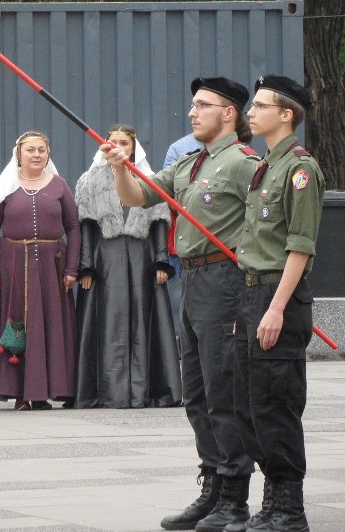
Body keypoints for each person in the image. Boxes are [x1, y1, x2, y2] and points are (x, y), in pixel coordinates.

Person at [101, 77, 260, 532]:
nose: (192, 112)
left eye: (203, 105)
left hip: (227, 281)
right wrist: (120, 167)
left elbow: (273, 221)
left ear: (229, 113)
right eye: (192, 105)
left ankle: (234, 496)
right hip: (192, 279)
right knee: (197, 393)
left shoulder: (246, 164)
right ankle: (211, 487)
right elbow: (138, 197)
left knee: (223, 391)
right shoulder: (191, 163)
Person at [230, 75, 325, 532]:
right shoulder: (266, 164)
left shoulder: (299, 169)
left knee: (276, 406)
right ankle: (272, 503)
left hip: (278, 296)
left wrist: (275, 308)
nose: (251, 111)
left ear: (286, 115)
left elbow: (300, 246)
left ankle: (290, 509)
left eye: (261, 105)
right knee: (251, 405)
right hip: (253, 292)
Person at [73, 124, 181, 409]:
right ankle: (106, 391)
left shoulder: (150, 178)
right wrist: (86, 266)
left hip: (141, 255)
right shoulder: (89, 181)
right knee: (106, 320)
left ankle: (148, 389)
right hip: (104, 258)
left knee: (145, 316)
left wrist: (161, 261)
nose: (119, 146)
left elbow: (160, 221)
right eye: (113, 142)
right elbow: (86, 224)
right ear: (104, 146)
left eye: (125, 142)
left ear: (134, 148)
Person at [0, 130, 80, 411]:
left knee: (49, 326)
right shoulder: (6, 187)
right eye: (30, 150)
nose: (36, 155)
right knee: (19, 323)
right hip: (13, 264)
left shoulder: (60, 185)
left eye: (41, 150)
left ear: (48, 154)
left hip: (53, 267)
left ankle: (50, 390)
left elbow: (73, 227)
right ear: (19, 154)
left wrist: (72, 268)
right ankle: (20, 393)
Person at [163, 133, 202, 336]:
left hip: (220, 246)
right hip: (183, 240)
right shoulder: (179, 148)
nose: (195, 112)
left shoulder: (238, 148)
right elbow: (167, 194)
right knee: (179, 299)